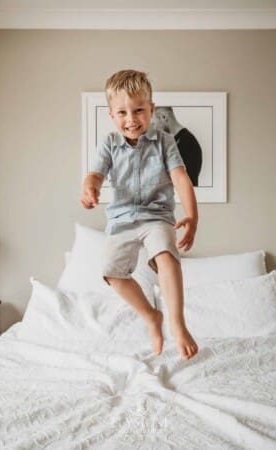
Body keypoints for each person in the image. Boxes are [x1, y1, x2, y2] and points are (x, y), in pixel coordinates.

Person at [80, 69, 198, 361]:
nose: (131, 119)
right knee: (111, 272)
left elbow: (181, 178)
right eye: (122, 112)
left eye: (139, 110)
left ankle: (177, 323)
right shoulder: (109, 143)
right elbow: (95, 174)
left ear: (152, 109)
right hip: (121, 220)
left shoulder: (165, 142)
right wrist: (90, 187)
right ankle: (151, 316)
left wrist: (192, 217)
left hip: (157, 216)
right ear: (111, 115)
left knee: (166, 256)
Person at [152, 107, 202, 186]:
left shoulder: (187, 143)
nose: (154, 129)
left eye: (153, 123)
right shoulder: (180, 140)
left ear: (163, 117)